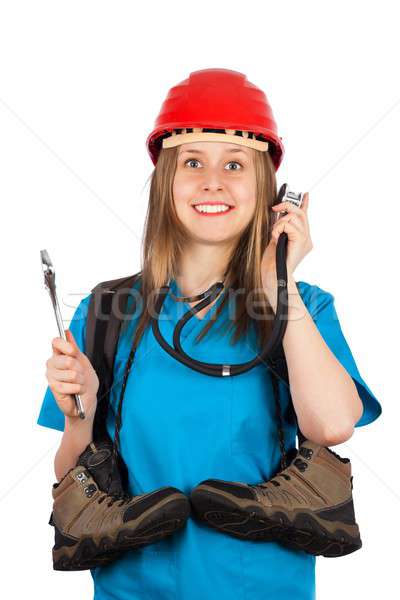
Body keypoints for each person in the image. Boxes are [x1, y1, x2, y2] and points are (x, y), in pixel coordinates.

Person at [37, 68, 382, 600]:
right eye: (192, 162)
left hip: (263, 588)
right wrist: (79, 412)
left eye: (235, 165)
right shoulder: (106, 311)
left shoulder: (303, 307)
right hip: (135, 588)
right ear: (166, 183)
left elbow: (334, 425)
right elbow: (72, 476)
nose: (212, 181)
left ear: (268, 190)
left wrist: (277, 283)